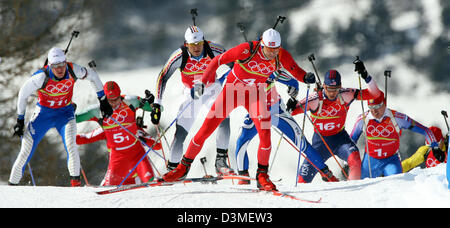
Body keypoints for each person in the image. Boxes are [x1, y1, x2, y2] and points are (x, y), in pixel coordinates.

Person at [162, 28, 317, 191]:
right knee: (205, 130)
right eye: (269, 49)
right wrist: (202, 82)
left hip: (256, 95)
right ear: (262, 44)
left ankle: (262, 175)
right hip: (231, 93)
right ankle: (182, 168)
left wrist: (305, 77)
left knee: (265, 136)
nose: (272, 53)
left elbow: (295, 70)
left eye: (275, 49)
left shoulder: (281, 54)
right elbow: (217, 61)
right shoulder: (247, 49)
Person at [10, 47, 113, 186]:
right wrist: (20, 119)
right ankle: (12, 185)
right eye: (55, 66)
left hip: (65, 114)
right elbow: (23, 93)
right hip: (43, 115)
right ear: (49, 65)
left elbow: (93, 76)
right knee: (25, 151)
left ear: (66, 62)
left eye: (62, 64)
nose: (60, 69)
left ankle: (76, 186)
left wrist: (103, 101)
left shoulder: (73, 69)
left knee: (72, 146)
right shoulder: (41, 77)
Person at [153, 25, 233, 175]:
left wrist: (222, 79)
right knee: (181, 133)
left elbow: (236, 64)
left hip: (211, 90)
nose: (196, 48)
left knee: (224, 119)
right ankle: (173, 170)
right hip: (191, 94)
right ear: (186, 44)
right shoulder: (179, 56)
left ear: (204, 41)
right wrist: (157, 103)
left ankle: (220, 161)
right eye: (192, 45)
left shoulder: (214, 49)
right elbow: (163, 76)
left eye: (199, 44)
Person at [235, 70, 338, 184]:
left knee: (301, 143)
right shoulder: (240, 73)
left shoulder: (266, 69)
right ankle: (243, 177)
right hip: (257, 113)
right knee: (242, 139)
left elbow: (293, 82)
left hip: (276, 111)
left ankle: (327, 174)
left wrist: (293, 95)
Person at [287, 60, 382, 183]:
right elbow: (290, 112)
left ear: (340, 86)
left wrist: (365, 75)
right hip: (320, 143)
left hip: (340, 139)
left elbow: (375, 94)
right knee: (302, 180)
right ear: (324, 86)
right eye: (329, 89)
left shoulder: (346, 94)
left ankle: (354, 191)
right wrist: (291, 103)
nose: (332, 93)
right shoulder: (314, 100)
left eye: (336, 89)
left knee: (355, 160)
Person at [75, 81, 162, 186]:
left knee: (152, 184)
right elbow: (75, 119)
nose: (114, 103)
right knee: (108, 189)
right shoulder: (97, 111)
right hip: (117, 159)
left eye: (116, 99)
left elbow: (159, 109)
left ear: (120, 95)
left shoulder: (131, 101)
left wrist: (152, 104)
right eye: (110, 100)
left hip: (137, 155)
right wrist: (68, 110)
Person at [350, 93, 439, 178]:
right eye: (371, 107)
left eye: (377, 106)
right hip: (370, 161)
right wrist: (348, 160)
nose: (374, 111)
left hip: (391, 160)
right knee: (361, 186)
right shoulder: (363, 119)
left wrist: (435, 147)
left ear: (384, 104)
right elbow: (351, 140)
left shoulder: (397, 118)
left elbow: (425, 130)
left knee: (396, 182)